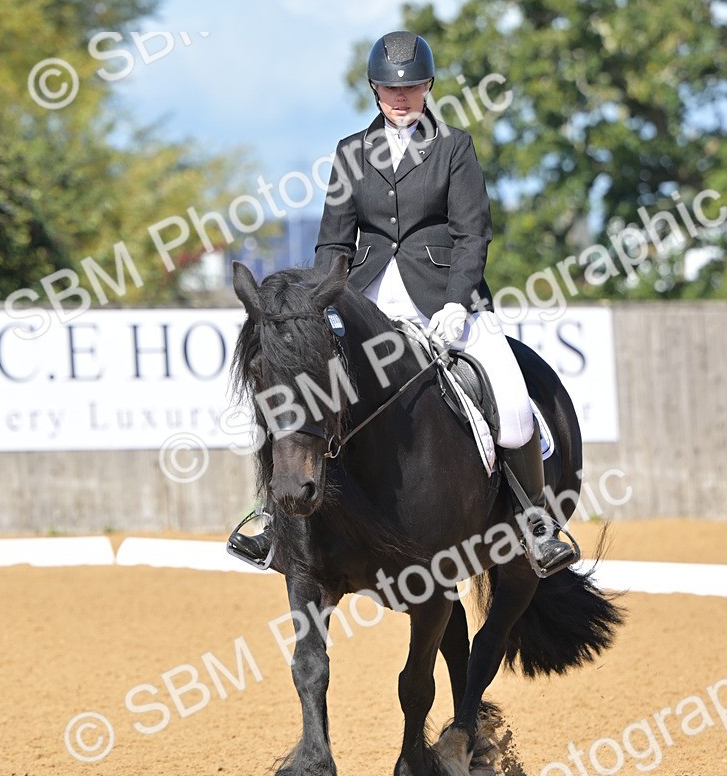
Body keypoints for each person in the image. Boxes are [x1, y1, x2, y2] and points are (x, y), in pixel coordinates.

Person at [228, 30, 577, 576]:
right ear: (373, 89)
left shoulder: (454, 148)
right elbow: (333, 242)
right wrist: (322, 304)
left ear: (428, 87)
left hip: (443, 303)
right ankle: (274, 519)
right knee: (296, 388)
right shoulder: (351, 152)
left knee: (509, 399)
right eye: (390, 87)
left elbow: (472, 235)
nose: (401, 96)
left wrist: (460, 301)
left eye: (412, 86)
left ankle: (535, 523)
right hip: (362, 303)